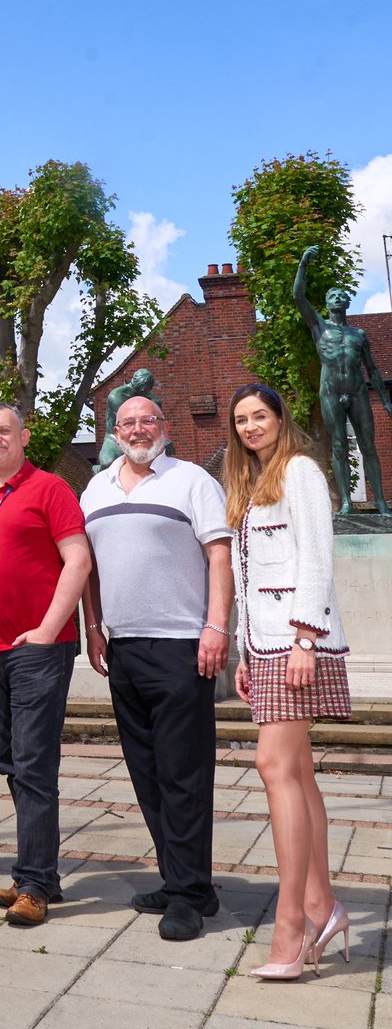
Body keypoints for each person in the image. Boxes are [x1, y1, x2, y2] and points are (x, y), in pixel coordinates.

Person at [80, 395, 233, 941]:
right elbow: (87, 567)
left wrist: (216, 628)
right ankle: (180, 880)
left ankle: (192, 895)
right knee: (146, 772)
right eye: (128, 422)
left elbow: (219, 555)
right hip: (121, 648)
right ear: (114, 431)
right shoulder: (94, 489)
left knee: (183, 773)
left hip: (180, 646)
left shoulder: (191, 480)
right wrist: (93, 628)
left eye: (149, 420)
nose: (139, 429)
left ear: (165, 428)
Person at [225, 383, 352, 980]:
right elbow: (252, 576)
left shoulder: (299, 470)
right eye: (242, 420)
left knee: (273, 767)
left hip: (297, 643)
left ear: (280, 418)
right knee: (296, 772)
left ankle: (292, 927)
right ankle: (323, 907)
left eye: (260, 416)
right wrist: (247, 651)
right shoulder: (250, 486)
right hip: (267, 646)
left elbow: (315, 558)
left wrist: (304, 637)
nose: (251, 427)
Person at [0, 403, 90, 926]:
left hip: (37, 651)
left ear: (23, 436)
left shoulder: (50, 489)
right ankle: (41, 872)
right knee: (8, 759)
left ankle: (34, 884)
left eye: (3, 429)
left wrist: (48, 631)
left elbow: (77, 560)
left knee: (32, 764)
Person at [294, 245, 392, 514]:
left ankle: (381, 501)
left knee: (368, 445)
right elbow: (299, 296)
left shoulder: (359, 334)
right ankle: (347, 502)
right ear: (327, 304)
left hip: (358, 390)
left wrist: (385, 401)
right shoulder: (319, 327)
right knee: (338, 444)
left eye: (341, 295)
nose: (337, 298)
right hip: (331, 391)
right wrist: (303, 264)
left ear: (347, 302)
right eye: (332, 295)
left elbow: (372, 370)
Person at [94, 369, 155, 473]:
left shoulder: (152, 400)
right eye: (142, 391)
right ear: (135, 385)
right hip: (114, 438)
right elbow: (127, 422)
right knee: (107, 463)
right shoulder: (116, 396)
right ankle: (97, 469)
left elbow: (157, 422)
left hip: (138, 437)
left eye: (147, 392)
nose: (145, 394)